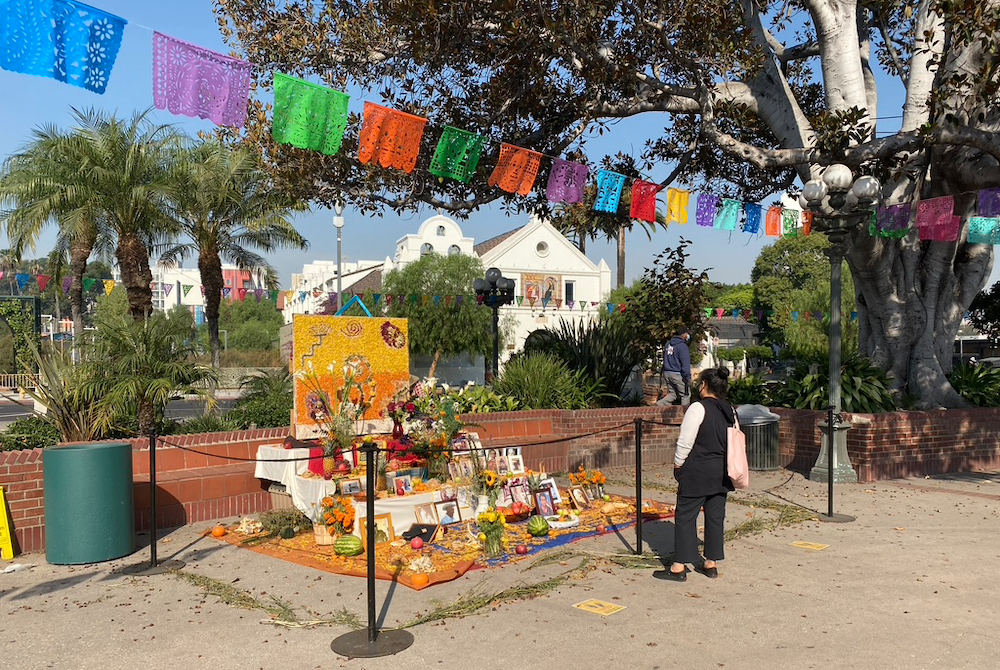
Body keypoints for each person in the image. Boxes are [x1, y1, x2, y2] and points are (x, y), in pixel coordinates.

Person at [655, 367, 735, 582]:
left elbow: (685, 441)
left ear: (704, 386)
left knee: (685, 516)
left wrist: (678, 464)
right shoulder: (730, 410)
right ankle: (711, 563)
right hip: (722, 472)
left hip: (697, 470)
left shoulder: (697, 408)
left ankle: (679, 566)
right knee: (715, 517)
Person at [657, 327, 692, 406]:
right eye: (687, 334)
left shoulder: (668, 344)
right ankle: (684, 414)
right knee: (685, 395)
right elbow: (685, 364)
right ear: (684, 335)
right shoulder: (682, 347)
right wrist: (688, 378)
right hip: (677, 374)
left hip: (667, 373)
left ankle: (658, 405)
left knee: (673, 394)